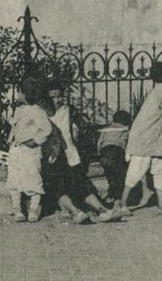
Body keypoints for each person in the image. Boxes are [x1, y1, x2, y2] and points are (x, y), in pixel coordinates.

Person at [115, 61, 162, 217]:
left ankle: (161, 206)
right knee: (137, 170)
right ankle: (122, 203)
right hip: (146, 137)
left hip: (158, 138)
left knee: (161, 168)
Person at [46, 82, 117, 222]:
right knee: (59, 186)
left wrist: (75, 131)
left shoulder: (68, 110)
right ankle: (76, 212)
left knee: (81, 184)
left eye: (59, 96)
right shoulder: (43, 113)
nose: (56, 100)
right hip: (53, 156)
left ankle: (102, 210)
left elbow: (75, 129)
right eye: (52, 97)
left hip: (71, 154)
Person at [6, 77, 52, 222]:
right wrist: (9, 143)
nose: (18, 95)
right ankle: (17, 210)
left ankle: (33, 210)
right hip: (16, 149)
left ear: (26, 94)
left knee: (32, 179)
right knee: (14, 179)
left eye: (19, 92)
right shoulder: (19, 110)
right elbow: (14, 128)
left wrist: (35, 141)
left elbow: (46, 130)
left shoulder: (38, 111)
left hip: (29, 151)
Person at [96, 109, 131, 203]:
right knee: (119, 175)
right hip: (117, 150)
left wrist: (100, 153)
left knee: (110, 174)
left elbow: (99, 142)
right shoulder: (125, 129)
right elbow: (128, 143)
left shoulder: (107, 128)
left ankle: (110, 194)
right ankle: (117, 198)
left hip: (105, 150)